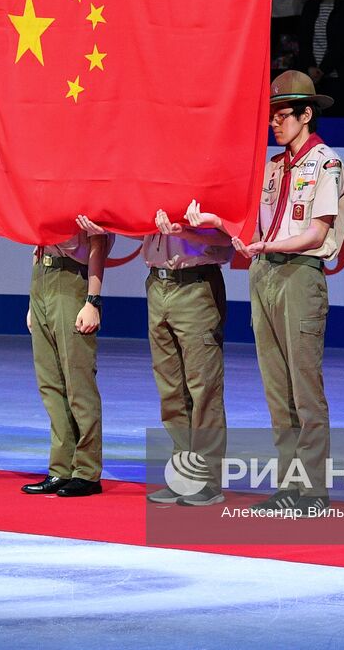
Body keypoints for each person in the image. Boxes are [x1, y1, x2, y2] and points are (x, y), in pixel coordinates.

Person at [217, 70, 344, 513]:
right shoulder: (272, 167)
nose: (274, 123)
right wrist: (224, 227)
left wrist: (269, 246)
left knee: (305, 389)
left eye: (283, 115)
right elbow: (253, 225)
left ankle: (313, 490)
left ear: (306, 115)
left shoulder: (327, 164)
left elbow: (316, 233)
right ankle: (289, 485)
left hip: (299, 275)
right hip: (264, 274)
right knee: (277, 389)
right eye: (272, 115)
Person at [139, 201, 234, 506]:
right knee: (171, 389)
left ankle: (208, 480)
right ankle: (183, 476)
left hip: (196, 283)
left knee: (203, 387)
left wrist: (186, 231)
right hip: (157, 283)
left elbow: (228, 237)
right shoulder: (154, 183)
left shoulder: (206, 183)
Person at [23, 214, 111, 499]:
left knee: (78, 381)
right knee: (50, 382)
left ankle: (86, 471)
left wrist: (92, 300)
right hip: (43, 276)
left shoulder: (85, 190)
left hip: (72, 277)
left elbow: (99, 241)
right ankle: (60, 468)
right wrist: (32, 301)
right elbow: (38, 242)